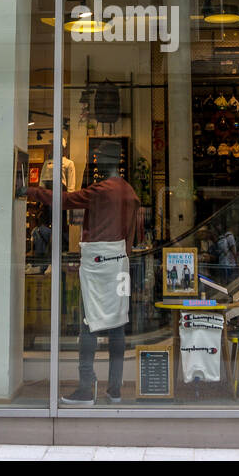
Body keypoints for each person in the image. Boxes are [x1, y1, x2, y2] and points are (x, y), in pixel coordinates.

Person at [30, 165, 143, 406]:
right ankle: (115, 390)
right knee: (117, 326)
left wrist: (31, 192)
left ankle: (85, 388)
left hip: (98, 261)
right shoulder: (130, 192)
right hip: (119, 260)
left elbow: (65, 200)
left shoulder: (102, 190)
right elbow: (134, 233)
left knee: (88, 323)